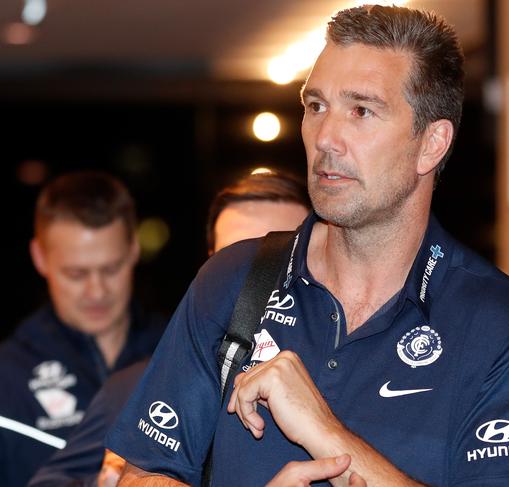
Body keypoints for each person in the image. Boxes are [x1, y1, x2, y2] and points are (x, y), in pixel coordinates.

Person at [107, 5, 509, 486]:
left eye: (361, 110)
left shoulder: (500, 325)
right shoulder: (234, 280)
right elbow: (140, 475)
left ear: (431, 144)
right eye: (316, 106)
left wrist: (326, 433)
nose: (326, 138)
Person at [28, 169, 311, 487]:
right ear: (211, 268)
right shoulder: (145, 383)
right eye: (236, 259)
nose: (256, 285)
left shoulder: (363, 384)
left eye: (280, 261)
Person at [0, 171, 166, 486]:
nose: (96, 291)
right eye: (76, 273)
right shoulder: (7, 380)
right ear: (40, 257)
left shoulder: (179, 351)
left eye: (110, 268)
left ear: (133, 249)